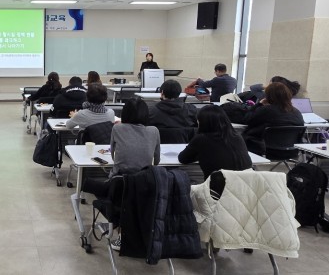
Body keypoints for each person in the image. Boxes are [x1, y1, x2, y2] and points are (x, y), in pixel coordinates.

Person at [81, 97, 160, 250]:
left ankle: (121, 231)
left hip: (119, 183)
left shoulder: (118, 129)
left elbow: (113, 155)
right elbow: (156, 161)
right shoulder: (154, 131)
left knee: (93, 186)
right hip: (146, 183)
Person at [178, 105, 252, 178]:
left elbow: (183, 158)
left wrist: (199, 154)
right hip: (247, 182)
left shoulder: (201, 139)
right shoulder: (237, 137)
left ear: (202, 122)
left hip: (221, 184)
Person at [242, 82, 304, 155]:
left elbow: (247, 119)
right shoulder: (297, 112)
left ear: (268, 96)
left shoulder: (266, 110)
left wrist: (259, 104)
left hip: (266, 150)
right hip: (291, 151)